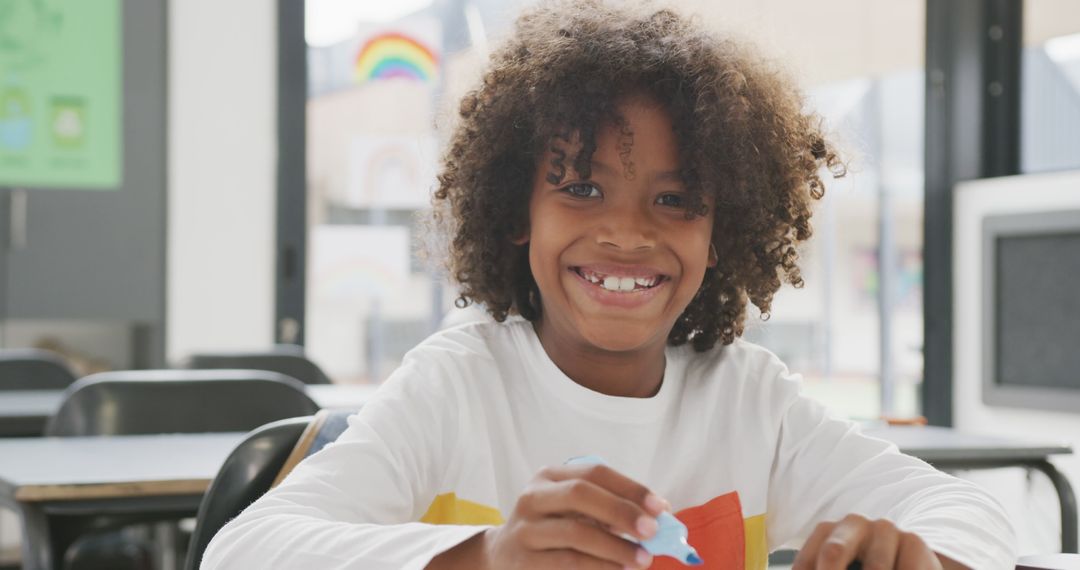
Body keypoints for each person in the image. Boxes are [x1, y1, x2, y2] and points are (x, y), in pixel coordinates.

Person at [202, 2, 1016, 569]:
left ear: (718, 229)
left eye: (675, 199)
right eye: (581, 188)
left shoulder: (752, 404)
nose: (628, 232)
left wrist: (925, 557)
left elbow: (976, 516)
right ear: (517, 210)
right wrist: (483, 558)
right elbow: (243, 552)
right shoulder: (458, 387)